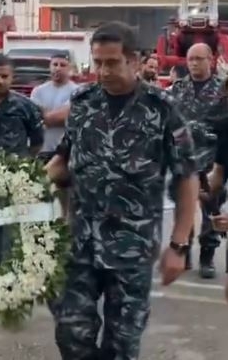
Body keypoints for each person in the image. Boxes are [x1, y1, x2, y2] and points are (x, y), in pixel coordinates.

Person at [46, 21, 198, 360]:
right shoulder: (83, 103)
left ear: (134, 60)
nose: (102, 71)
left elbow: (187, 177)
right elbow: (64, 161)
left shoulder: (162, 109)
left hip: (132, 249)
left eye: (111, 62)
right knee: (71, 334)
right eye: (97, 62)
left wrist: (179, 244)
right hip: (80, 242)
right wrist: (24, 183)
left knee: (122, 345)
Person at [0, 54, 44, 264]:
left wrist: (21, 164)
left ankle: (11, 286)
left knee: (12, 238)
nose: (0, 81)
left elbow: (37, 142)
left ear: (12, 77)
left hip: (14, 182)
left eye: (5, 76)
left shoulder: (26, 107)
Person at [169, 42, 228, 278]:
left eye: (199, 59)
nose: (193, 63)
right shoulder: (178, 88)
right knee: (183, 209)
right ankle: (184, 253)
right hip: (184, 159)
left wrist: (200, 130)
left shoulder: (222, 88)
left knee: (210, 211)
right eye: (190, 59)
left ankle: (207, 256)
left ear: (211, 59)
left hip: (213, 161)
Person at [30, 53, 79, 160]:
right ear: (50, 67)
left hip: (65, 153)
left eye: (62, 65)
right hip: (42, 150)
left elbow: (64, 117)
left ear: (70, 68)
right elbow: (34, 119)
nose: (58, 68)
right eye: (55, 64)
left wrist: (45, 114)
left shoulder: (77, 91)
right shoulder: (38, 91)